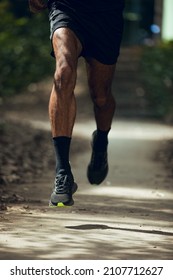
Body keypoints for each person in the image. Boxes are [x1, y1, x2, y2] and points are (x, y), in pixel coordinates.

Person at [29, 0, 125, 206]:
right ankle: (63, 173)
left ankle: (101, 140)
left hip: (106, 14)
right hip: (66, 8)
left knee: (101, 96)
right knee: (63, 72)